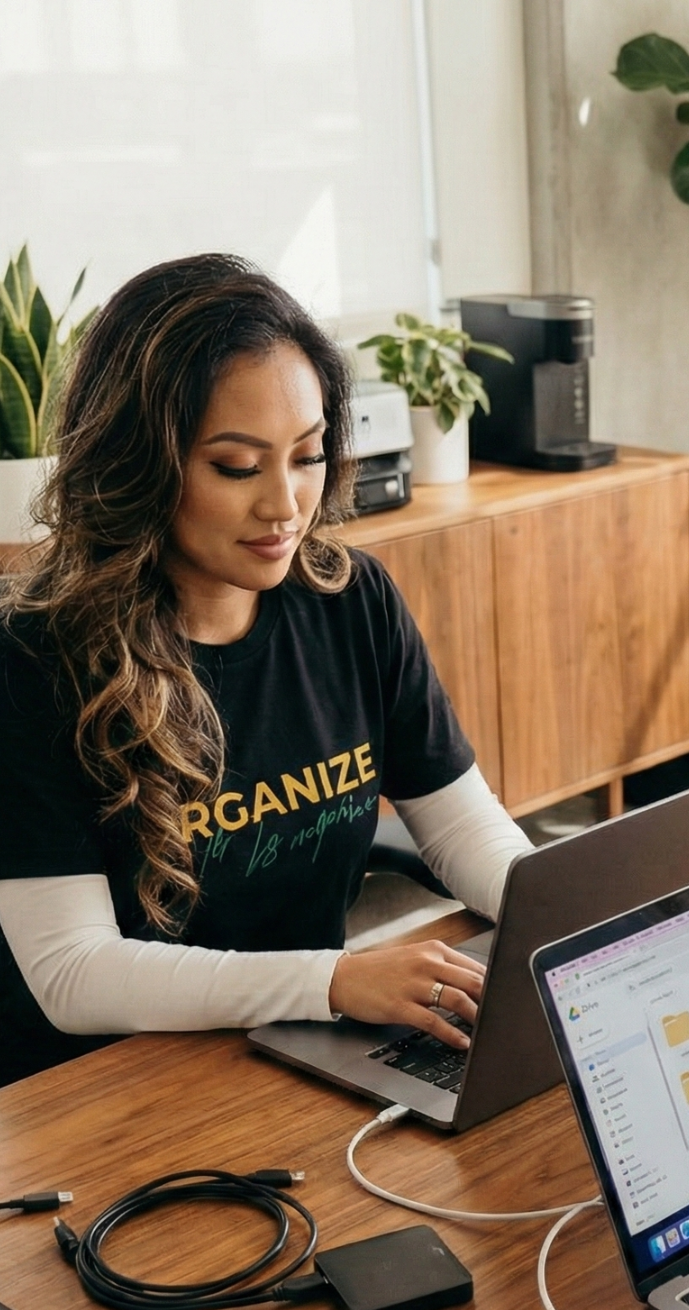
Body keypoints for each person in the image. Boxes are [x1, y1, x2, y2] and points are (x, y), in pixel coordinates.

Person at [0, 255, 531, 1086]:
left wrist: (563, 921)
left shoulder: (350, 599)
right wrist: (332, 980)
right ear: (141, 465)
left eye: (309, 455)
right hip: (98, 1088)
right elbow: (74, 973)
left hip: (299, 1048)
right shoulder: (32, 660)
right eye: (238, 467)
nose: (285, 504)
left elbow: (462, 826)